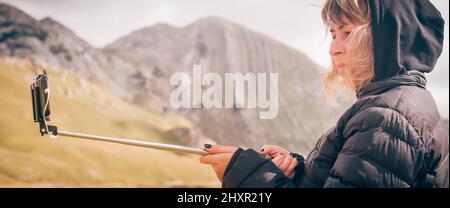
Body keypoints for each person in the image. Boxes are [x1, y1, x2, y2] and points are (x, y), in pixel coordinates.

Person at [199, 0, 449, 188]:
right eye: (333, 35)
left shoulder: (386, 118)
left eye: (348, 33)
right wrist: (296, 170)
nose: (333, 49)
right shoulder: (403, 102)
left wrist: (246, 175)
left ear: (389, 38)